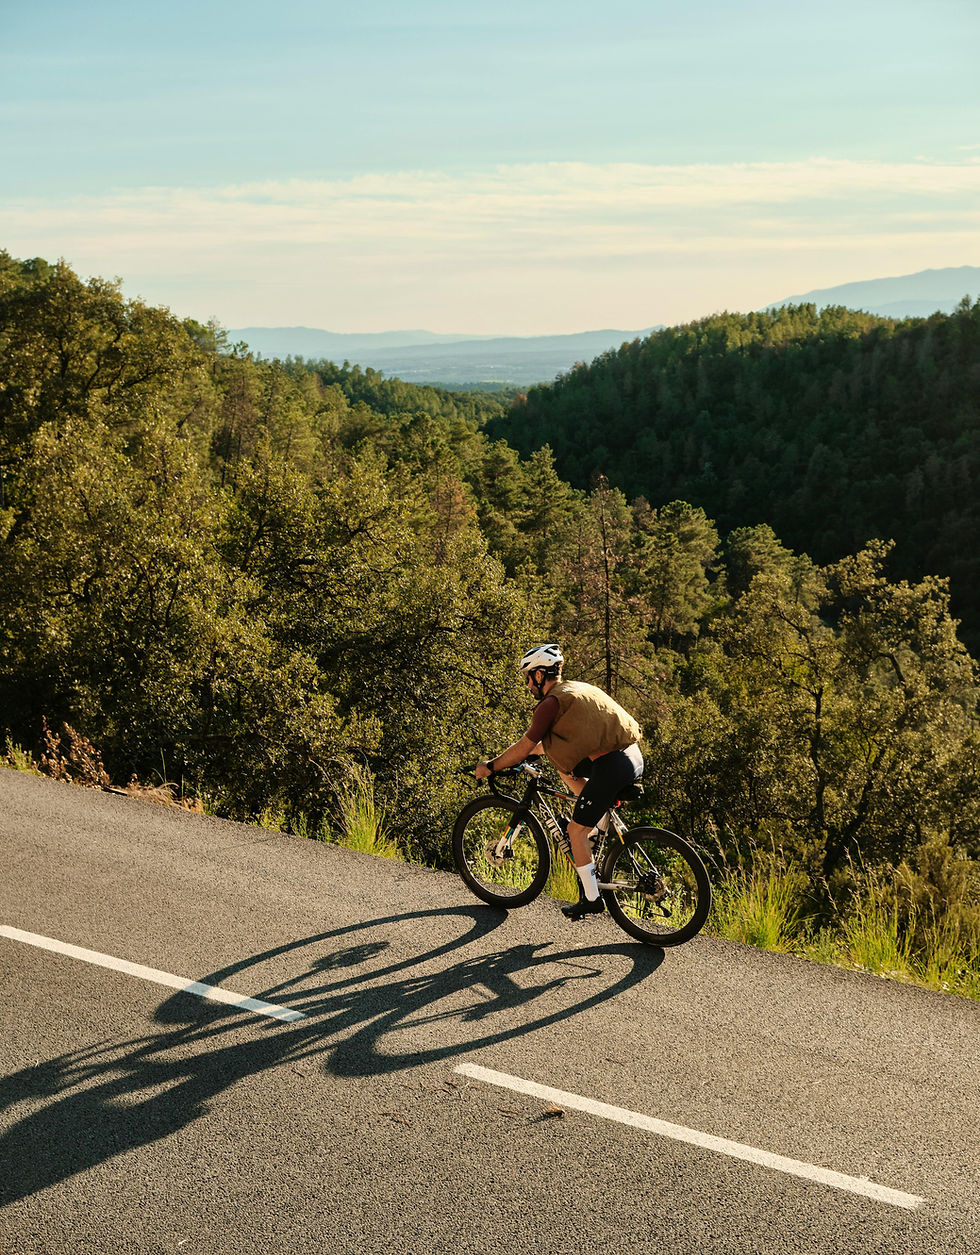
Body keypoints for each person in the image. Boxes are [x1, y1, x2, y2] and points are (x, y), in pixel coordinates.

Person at [474, 644, 644, 921]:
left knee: (575, 831)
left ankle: (591, 898)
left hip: (612, 766)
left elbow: (524, 746)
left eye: (528, 677)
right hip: (630, 755)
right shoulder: (575, 690)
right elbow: (545, 747)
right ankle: (594, 821)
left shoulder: (550, 704)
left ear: (539, 675)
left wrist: (491, 767)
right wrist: (526, 754)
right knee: (566, 770)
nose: (527, 684)